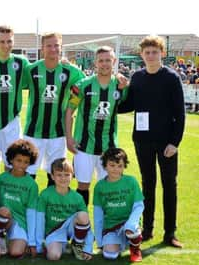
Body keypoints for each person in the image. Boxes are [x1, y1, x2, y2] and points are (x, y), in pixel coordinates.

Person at [118, 35, 186, 248]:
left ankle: (170, 233)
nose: (150, 56)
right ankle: (147, 230)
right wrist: (117, 93)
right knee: (148, 184)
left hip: (166, 142)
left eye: (154, 52)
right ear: (142, 55)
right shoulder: (137, 77)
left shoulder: (171, 78)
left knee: (169, 186)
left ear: (162, 54)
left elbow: (180, 114)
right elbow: (128, 105)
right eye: (147, 52)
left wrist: (175, 143)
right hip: (143, 140)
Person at [65, 46, 127, 205]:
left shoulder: (120, 86)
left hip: (109, 148)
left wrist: (124, 83)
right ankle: (82, 224)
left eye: (108, 60)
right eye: (101, 60)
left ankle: (106, 226)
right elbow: (69, 111)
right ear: (95, 63)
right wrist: (69, 138)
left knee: (106, 187)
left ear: (114, 62)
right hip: (83, 146)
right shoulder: (83, 85)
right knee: (83, 186)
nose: (104, 64)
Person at [21, 33, 85, 185]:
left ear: (61, 47)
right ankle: (30, 206)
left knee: (56, 173)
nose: (53, 49)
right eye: (49, 45)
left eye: (56, 45)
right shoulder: (31, 70)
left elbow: (89, 84)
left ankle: (50, 206)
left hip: (58, 133)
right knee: (28, 173)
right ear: (42, 48)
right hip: (33, 132)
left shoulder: (71, 71)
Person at [0, 25, 30, 174]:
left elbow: (41, 72)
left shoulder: (22, 63)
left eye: (9, 41)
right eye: (2, 41)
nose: (6, 45)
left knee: (13, 164)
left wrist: (62, 62)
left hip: (11, 123)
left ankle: (9, 196)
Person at [36, 158, 93, 261]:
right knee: (53, 256)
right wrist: (38, 244)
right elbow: (40, 220)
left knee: (82, 215)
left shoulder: (77, 197)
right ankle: (61, 245)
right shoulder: (45, 194)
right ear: (52, 176)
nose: (63, 178)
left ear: (72, 176)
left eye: (67, 175)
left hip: (70, 229)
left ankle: (78, 244)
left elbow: (86, 223)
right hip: (54, 232)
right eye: (59, 175)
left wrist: (88, 248)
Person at [93, 148, 144, 262]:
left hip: (129, 223)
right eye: (112, 165)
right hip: (111, 226)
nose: (116, 169)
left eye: (119, 166)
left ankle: (135, 248)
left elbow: (139, 205)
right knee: (109, 255)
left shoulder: (131, 181)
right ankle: (123, 242)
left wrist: (132, 222)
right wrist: (100, 241)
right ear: (105, 166)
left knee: (130, 229)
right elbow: (98, 215)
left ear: (124, 167)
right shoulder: (100, 186)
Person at [0, 139, 39, 258]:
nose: (21, 165)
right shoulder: (0, 179)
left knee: (15, 253)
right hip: (1, 218)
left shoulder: (32, 185)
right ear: (11, 159)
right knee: (4, 211)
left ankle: (10, 238)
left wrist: (32, 241)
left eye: (26, 162)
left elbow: (31, 212)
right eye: (18, 160)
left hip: (19, 222)